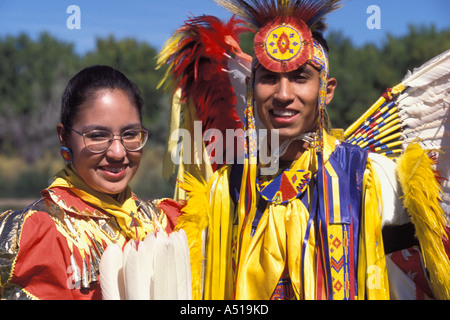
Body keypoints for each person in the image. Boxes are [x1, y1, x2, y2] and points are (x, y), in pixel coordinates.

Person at [158, 0, 449, 300]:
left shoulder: (374, 181)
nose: (283, 95)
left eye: (300, 78)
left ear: (327, 90)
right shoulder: (224, 192)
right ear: (250, 88)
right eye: (270, 78)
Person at [0, 65, 182, 300]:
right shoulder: (39, 235)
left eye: (130, 134)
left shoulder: (166, 223)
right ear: (64, 136)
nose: (118, 152)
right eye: (97, 136)